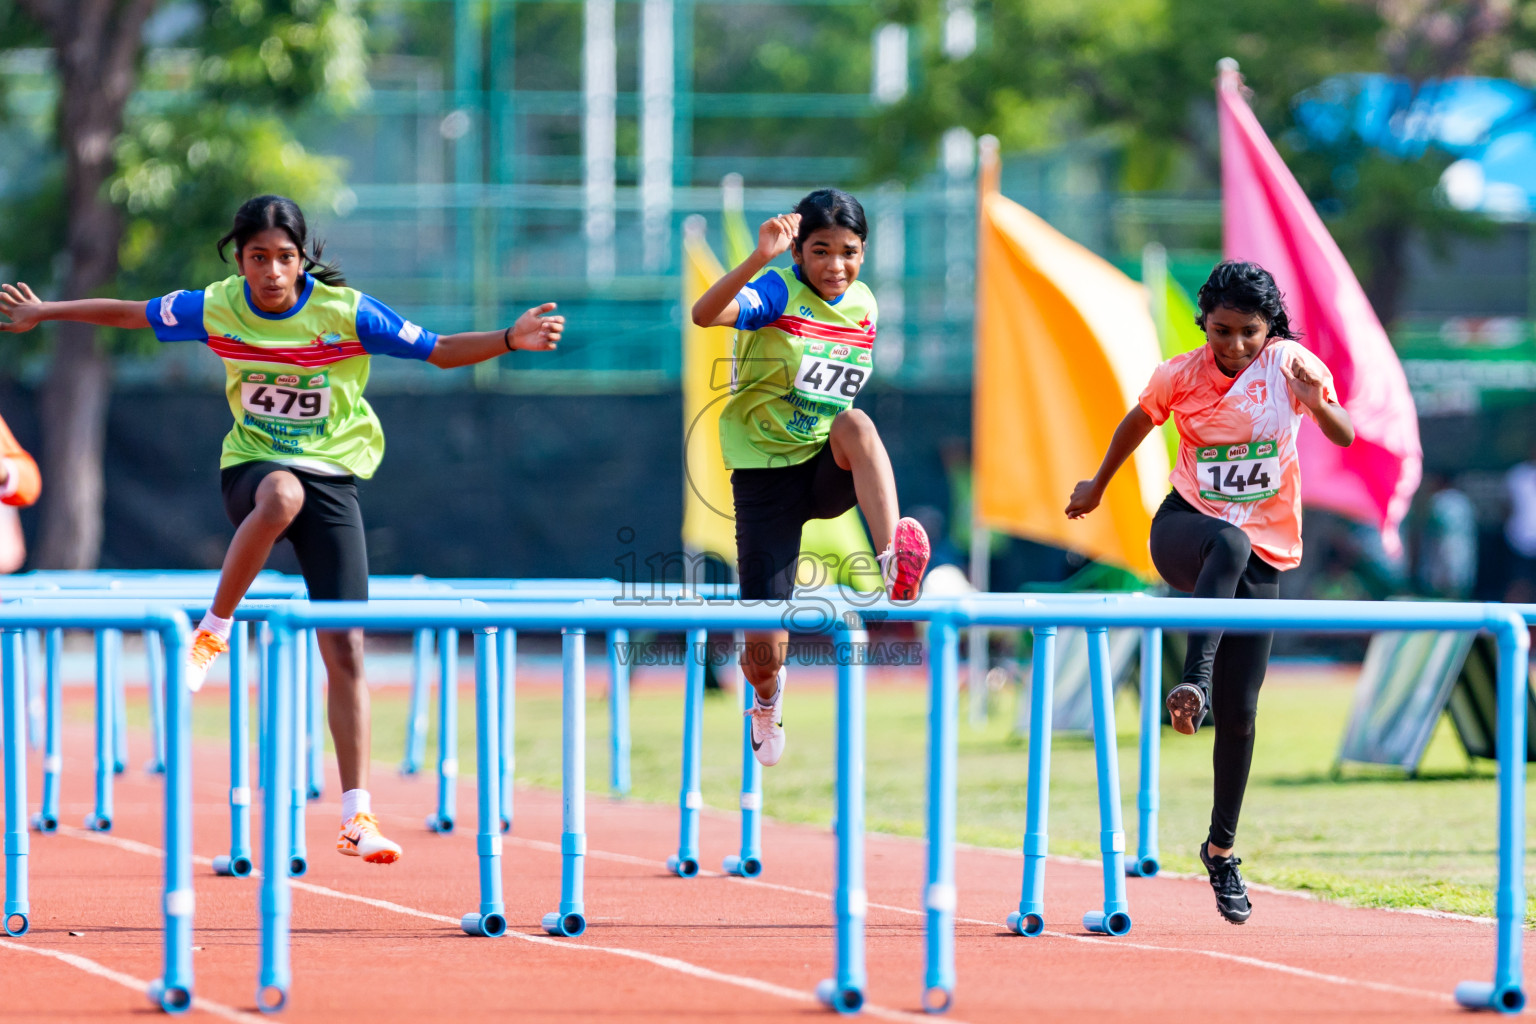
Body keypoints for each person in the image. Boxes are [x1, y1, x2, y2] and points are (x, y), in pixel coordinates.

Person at [0, 194, 563, 865]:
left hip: (334, 476)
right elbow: (129, 313)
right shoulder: (215, 306)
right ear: (238, 260)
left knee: (346, 648)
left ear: (304, 261)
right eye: (258, 257)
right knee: (280, 496)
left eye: (285, 258)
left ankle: (357, 817)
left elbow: (438, 351)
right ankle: (214, 630)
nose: (271, 271)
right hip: (256, 466)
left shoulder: (346, 314)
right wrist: (45, 312)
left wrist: (508, 339)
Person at [1065, 260, 1353, 924]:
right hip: (1186, 531)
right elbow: (1138, 421)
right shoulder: (1181, 373)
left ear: (1268, 326)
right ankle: (1191, 681)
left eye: (1248, 332)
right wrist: (1098, 485)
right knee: (1227, 540)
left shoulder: (1290, 366)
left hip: (1266, 552)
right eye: (1221, 331)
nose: (1235, 346)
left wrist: (1318, 399)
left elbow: (1342, 433)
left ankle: (1220, 850)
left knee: (1243, 713)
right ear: (1206, 326)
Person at [690, 188, 930, 768]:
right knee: (764, 650)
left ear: (863, 252)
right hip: (764, 479)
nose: (835, 266)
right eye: (820, 251)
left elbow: (836, 391)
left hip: (823, 462)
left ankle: (894, 559)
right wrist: (758, 258)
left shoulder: (865, 305)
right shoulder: (778, 289)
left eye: (848, 251)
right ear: (799, 252)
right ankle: (767, 701)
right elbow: (704, 315)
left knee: (857, 424)